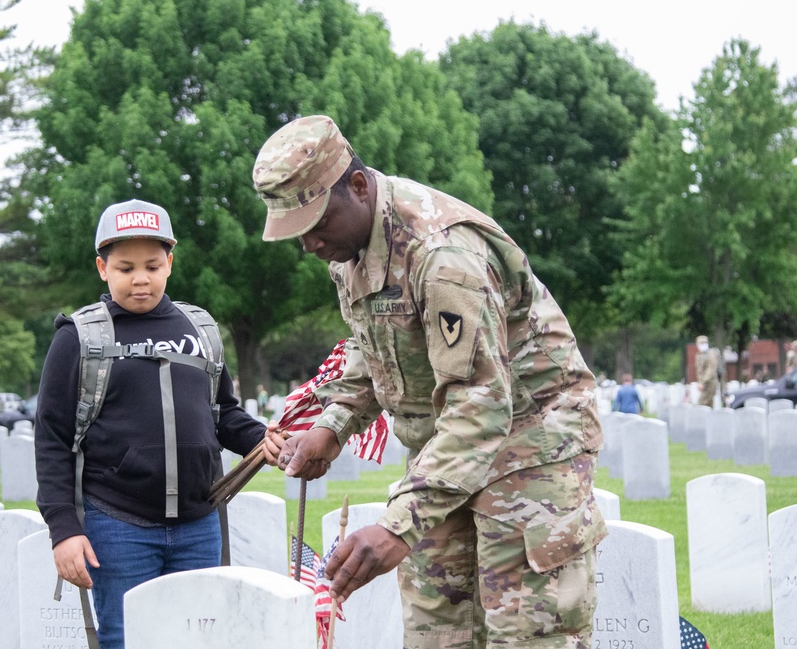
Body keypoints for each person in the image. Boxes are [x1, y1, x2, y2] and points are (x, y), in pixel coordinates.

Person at [256, 115, 606, 648]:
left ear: (356, 186)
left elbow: (482, 405)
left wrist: (397, 525)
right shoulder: (350, 250)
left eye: (316, 224)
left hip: (530, 446)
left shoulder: (442, 256)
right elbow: (373, 347)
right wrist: (333, 425)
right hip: (446, 452)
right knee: (437, 634)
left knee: (528, 634)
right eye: (297, 232)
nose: (309, 245)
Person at [34, 199, 279, 649]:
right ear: (102, 268)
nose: (140, 278)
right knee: (128, 639)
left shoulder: (200, 328)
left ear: (170, 262)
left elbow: (224, 414)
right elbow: (52, 439)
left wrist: (267, 440)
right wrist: (64, 530)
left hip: (198, 523)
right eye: (125, 267)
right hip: (116, 523)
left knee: (200, 639)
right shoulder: (78, 337)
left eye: (151, 264)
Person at [694, 335, 721, 407]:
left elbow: (710, 370)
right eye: (701, 343)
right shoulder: (699, 355)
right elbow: (699, 371)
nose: (702, 345)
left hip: (710, 383)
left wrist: (702, 382)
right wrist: (700, 382)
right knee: (708, 405)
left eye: (704, 343)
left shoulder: (711, 355)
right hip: (704, 384)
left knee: (702, 403)